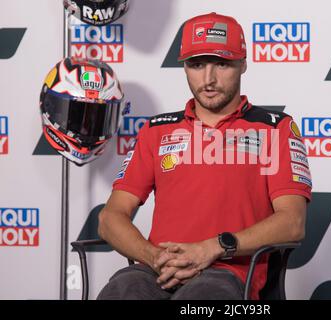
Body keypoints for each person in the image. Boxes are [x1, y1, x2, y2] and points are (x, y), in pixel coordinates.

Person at [97, 12, 312, 300]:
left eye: (222, 64)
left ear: (243, 64)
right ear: (185, 68)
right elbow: (110, 217)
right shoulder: (156, 130)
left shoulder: (277, 128)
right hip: (157, 269)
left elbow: (293, 223)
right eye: (196, 65)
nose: (208, 79)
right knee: (123, 290)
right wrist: (153, 256)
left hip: (229, 274)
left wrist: (212, 248)